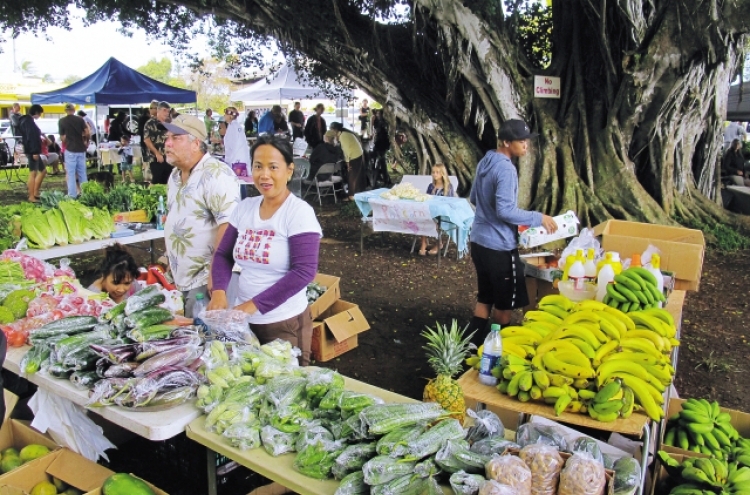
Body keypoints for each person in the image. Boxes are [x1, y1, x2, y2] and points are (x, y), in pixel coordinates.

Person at [208, 135, 322, 365]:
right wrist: (219, 291)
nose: (264, 175)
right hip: (244, 323)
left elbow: (304, 272)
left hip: (284, 323)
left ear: (289, 171)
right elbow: (223, 254)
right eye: (258, 166)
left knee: (288, 390)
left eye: (273, 167)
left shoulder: (298, 212)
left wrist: (252, 306)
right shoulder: (245, 208)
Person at [468, 119, 558, 346]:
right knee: (504, 307)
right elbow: (506, 211)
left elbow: (473, 199)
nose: (526, 145)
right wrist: (540, 218)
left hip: (479, 242)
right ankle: (494, 354)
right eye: (521, 141)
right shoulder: (506, 169)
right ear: (506, 142)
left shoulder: (486, 160)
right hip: (499, 248)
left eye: (527, 141)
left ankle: (469, 349)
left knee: (484, 299)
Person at [161, 114, 241, 317]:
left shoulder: (216, 173)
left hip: (208, 280)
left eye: (175, 138)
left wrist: (218, 276)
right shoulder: (174, 176)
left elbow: (229, 225)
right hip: (184, 279)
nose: (167, 143)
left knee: (213, 341)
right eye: (167, 137)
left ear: (195, 143)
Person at [419, 163, 455, 256]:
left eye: (437, 172)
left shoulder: (448, 187)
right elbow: (426, 199)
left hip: (443, 213)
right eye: (433, 172)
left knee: (434, 220)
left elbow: (449, 203)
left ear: (442, 174)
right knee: (422, 217)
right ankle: (423, 243)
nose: (434, 174)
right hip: (431, 211)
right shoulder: (431, 186)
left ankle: (439, 243)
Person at [59, 103, 89, 198]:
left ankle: (72, 195)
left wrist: (67, 142)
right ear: (74, 110)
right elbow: (87, 132)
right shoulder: (80, 120)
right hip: (81, 149)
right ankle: (86, 194)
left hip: (70, 149)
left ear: (65, 111)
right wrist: (86, 141)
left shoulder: (62, 121)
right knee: (82, 173)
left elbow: (62, 137)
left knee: (71, 173)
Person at [330, 122, 364, 201]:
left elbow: (346, 151)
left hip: (355, 155)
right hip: (357, 153)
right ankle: (354, 194)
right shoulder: (343, 133)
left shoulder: (343, 136)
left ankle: (351, 196)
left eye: (331, 130)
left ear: (335, 129)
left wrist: (348, 163)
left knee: (351, 176)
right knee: (354, 176)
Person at [18, 105, 45, 203]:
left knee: (43, 170)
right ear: (36, 112)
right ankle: (31, 196)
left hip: (33, 149)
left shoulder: (26, 121)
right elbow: (31, 137)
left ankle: (35, 192)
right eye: (40, 113)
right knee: (33, 173)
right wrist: (34, 151)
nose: (40, 116)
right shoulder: (28, 122)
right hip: (33, 150)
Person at [144, 101, 172, 185]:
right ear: (158, 110)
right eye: (164, 110)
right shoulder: (150, 123)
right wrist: (157, 153)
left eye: (168, 111)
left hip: (168, 157)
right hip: (156, 158)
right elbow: (147, 140)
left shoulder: (169, 124)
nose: (167, 113)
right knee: (156, 182)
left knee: (168, 181)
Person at [371, 109, 391, 186]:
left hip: (381, 144)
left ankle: (378, 180)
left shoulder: (382, 122)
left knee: (379, 162)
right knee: (381, 162)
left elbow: (379, 132)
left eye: (378, 113)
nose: (377, 115)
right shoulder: (381, 121)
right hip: (381, 144)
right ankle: (385, 179)